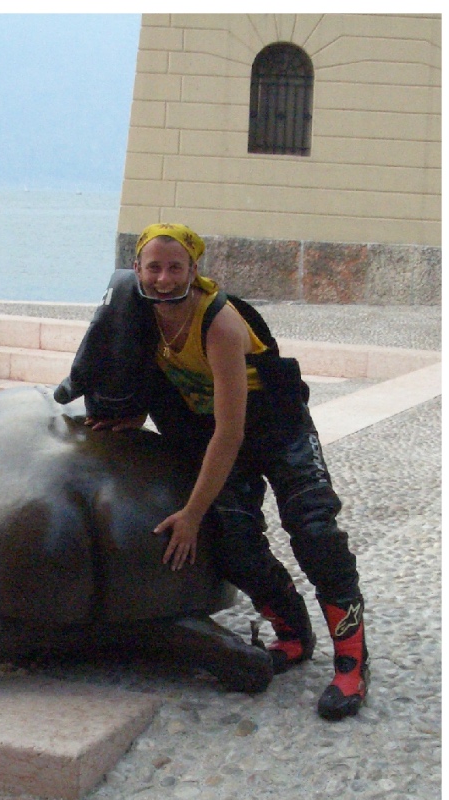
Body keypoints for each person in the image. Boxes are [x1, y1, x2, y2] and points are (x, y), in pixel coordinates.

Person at [85, 223, 368, 721]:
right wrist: (131, 413)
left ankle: (352, 659)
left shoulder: (218, 322)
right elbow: (153, 379)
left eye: (176, 268)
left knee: (314, 532)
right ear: (138, 270)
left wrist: (191, 512)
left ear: (195, 270)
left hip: (275, 431)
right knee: (234, 542)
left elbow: (229, 432)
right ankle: (292, 634)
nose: (165, 278)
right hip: (218, 435)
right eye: (154, 267)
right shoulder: (142, 316)